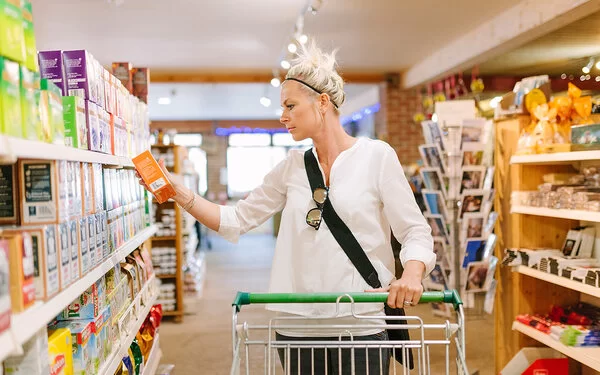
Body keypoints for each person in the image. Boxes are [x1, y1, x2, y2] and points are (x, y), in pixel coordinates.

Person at [137, 41, 435, 374]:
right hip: (297, 324)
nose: (282, 116)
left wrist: (411, 273)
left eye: (291, 105)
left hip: (361, 319)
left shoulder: (377, 157)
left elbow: (414, 230)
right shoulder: (292, 167)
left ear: (322, 102)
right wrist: (180, 194)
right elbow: (236, 219)